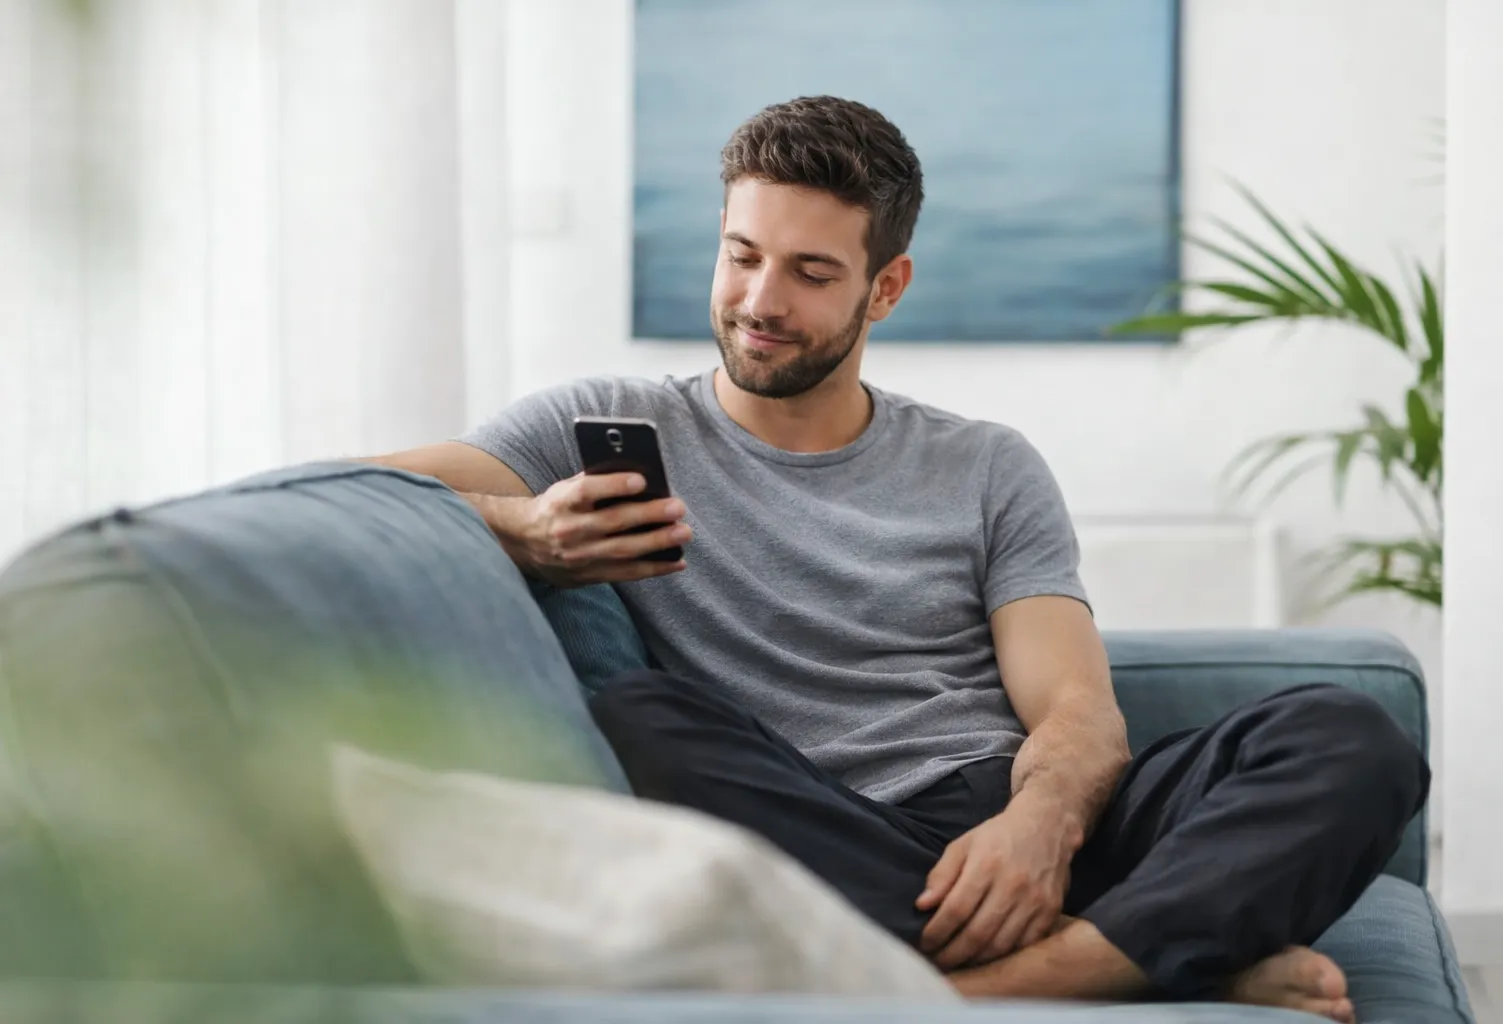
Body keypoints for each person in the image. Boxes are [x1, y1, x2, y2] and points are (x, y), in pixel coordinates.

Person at [374, 95, 1427, 1022]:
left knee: (1348, 736)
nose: (761, 301)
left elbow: (1076, 707)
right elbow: (348, 487)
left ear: (886, 288)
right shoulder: (596, 422)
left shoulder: (986, 464)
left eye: (811, 272)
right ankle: (1143, 955)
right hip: (822, 829)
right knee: (645, 718)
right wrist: (523, 527)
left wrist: (1037, 826)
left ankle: (1006, 981)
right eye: (742, 255)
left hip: (1013, 815)